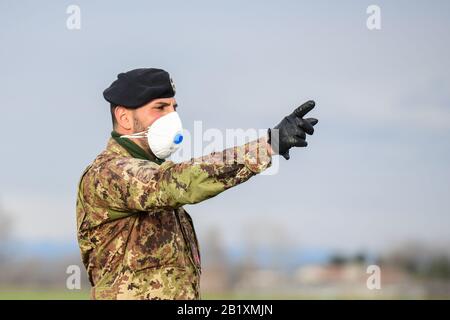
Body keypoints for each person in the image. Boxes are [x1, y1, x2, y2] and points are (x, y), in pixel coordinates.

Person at [76, 68, 318, 299]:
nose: (171, 117)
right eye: (160, 108)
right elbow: (177, 182)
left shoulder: (152, 174)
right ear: (124, 117)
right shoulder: (108, 174)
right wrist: (267, 146)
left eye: (173, 108)